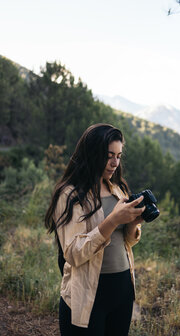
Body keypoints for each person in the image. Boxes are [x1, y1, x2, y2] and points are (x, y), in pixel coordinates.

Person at [45, 123, 145, 336]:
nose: (115, 163)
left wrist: (134, 223)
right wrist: (112, 220)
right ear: (92, 153)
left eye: (118, 156)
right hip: (88, 296)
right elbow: (73, 253)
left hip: (123, 292)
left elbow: (125, 241)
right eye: (109, 155)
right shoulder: (70, 195)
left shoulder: (118, 189)